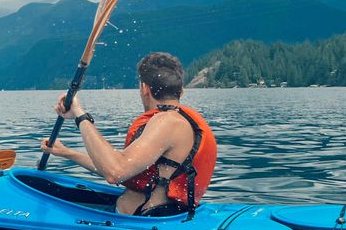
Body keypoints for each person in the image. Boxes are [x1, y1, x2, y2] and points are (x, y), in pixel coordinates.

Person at [40, 52, 216, 216]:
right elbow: (119, 167)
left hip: (144, 222)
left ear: (144, 88)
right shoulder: (176, 123)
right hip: (152, 217)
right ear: (181, 90)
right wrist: (66, 153)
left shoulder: (168, 122)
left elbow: (115, 172)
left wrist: (80, 115)